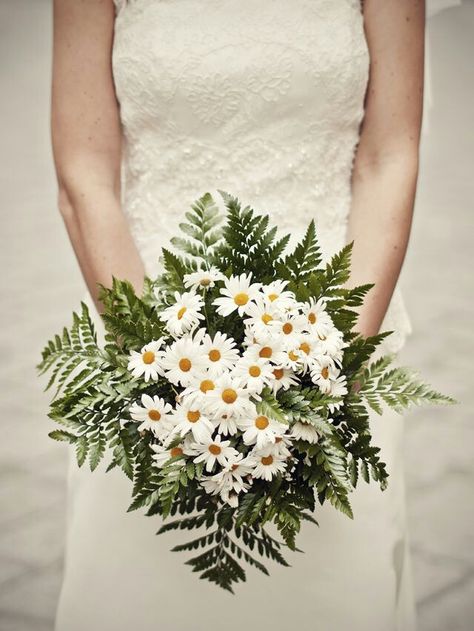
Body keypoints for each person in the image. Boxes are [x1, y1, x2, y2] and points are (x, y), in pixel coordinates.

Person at [51, 1, 424, 629]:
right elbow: (84, 172)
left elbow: (389, 156)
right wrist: (162, 376)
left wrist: (329, 378)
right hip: (145, 355)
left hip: (334, 341)